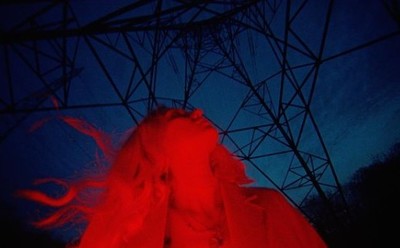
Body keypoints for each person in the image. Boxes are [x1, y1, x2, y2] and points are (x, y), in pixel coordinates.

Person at [19, 107, 327, 248]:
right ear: (156, 153)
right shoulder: (135, 241)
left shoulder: (270, 207)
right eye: (176, 116)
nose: (197, 110)